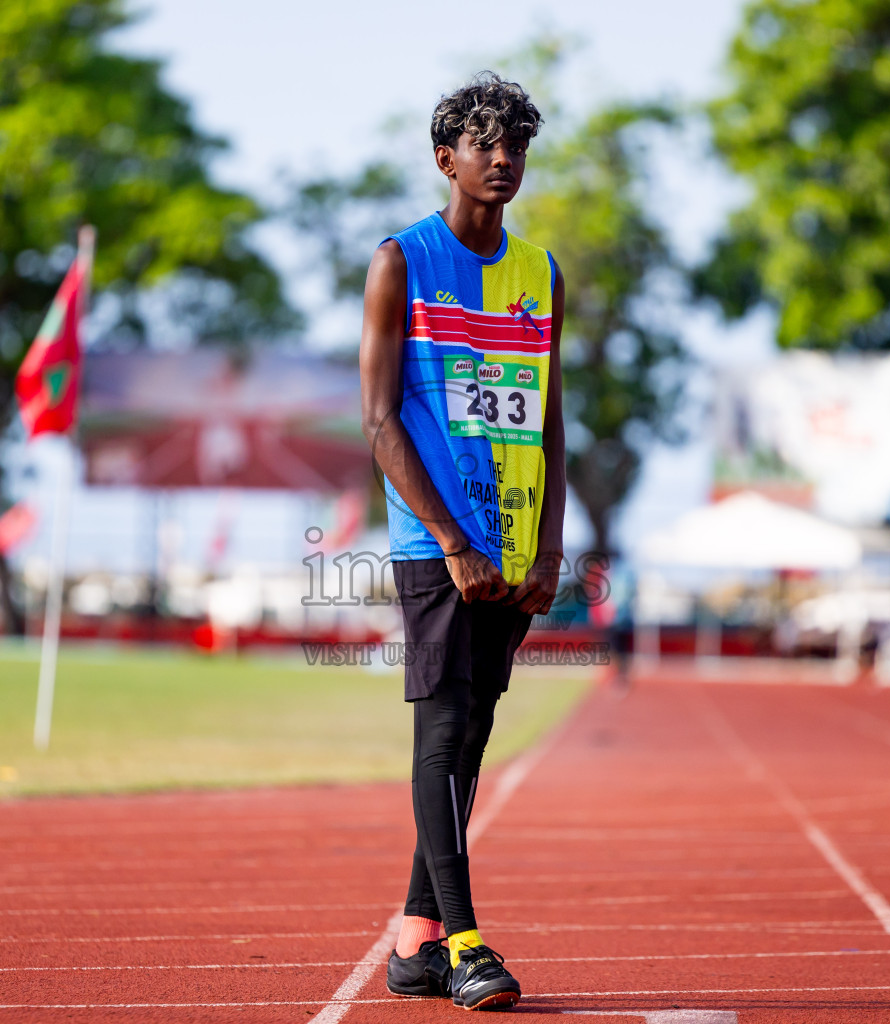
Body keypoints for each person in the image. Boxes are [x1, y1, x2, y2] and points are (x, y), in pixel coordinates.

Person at [359, 72, 566, 1011]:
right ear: (446, 159)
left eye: (515, 144)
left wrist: (549, 547)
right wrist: (450, 540)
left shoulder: (542, 274)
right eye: (485, 144)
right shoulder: (402, 261)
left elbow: (551, 422)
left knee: (472, 738)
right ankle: (469, 945)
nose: (503, 159)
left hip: (513, 550)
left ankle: (413, 941)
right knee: (443, 736)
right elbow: (379, 419)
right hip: (437, 548)